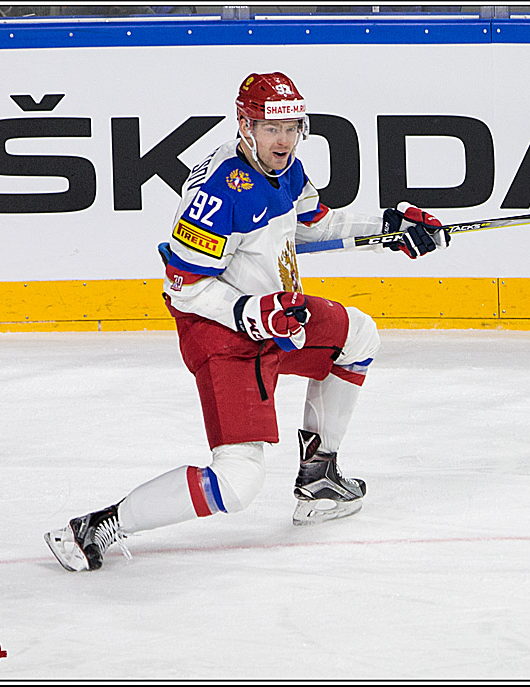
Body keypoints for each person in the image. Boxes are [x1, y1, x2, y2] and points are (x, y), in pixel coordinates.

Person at [45, 72, 451, 572]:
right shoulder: (218, 190)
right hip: (220, 335)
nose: (282, 140)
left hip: (278, 315)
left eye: (291, 128)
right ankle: (97, 526)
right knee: (238, 482)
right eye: (269, 128)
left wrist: (389, 223)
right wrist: (248, 314)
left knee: (358, 334)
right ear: (245, 126)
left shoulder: (289, 171)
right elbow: (183, 287)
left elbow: (314, 225)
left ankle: (319, 478)